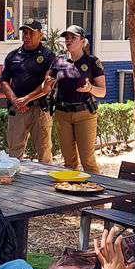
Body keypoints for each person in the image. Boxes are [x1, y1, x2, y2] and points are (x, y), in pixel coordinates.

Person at [49, 26, 107, 174]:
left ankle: (97, 191)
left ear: (82, 41)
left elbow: (102, 92)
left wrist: (90, 89)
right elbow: (47, 83)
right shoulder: (59, 61)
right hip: (63, 114)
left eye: (73, 38)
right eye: (66, 38)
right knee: (69, 161)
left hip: (84, 114)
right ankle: (70, 192)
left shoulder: (92, 61)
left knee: (87, 160)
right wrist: (46, 84)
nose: (68, 40)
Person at [0, 20, 55, 164]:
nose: (27, 36)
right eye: (25, 33)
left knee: (44, 152)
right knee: (14, 152)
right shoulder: (13, 55)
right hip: (17, 110)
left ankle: (44, 187)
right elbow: (4, 81)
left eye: (31, 33)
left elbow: (47, 84)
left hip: (39, 108)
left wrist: (27, 99)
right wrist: (15, 101)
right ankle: (13, 184)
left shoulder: (49, 56)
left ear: (40, 35)